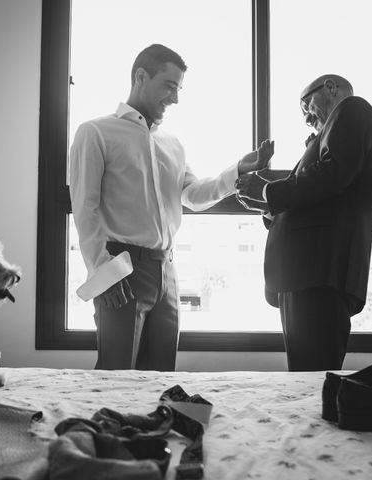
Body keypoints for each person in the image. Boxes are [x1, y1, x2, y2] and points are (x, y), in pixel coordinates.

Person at [69, 44, 272, 371]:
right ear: (140, 77)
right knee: (116, 377)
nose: (175, 99)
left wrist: (238, 170)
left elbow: (193, 194)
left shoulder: (172, 144)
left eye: (178, 90)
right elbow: (84, 207)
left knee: (161, 375)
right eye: (169, 86)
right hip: (121, 265)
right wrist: (101, 272)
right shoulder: (95, 133)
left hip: (167, 270)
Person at [236, 74, 372, 371]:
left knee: (311, 379)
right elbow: (318, 195)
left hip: (319, 274)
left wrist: (268, 190)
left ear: (331, 88)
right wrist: (267, 205)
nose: (306, 117)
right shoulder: (330, 135)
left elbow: (333, 175)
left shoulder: (353, 109)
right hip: (309, 275)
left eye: (306, 104)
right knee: (305, 378)